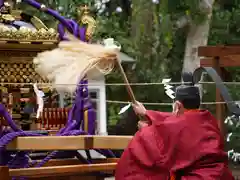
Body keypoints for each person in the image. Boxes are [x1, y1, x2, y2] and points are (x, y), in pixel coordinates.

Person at [115, 73, 234, 180]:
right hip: (221, 175)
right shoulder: (209, 120)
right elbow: (169, 120)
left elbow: (156, 142)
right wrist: (146, 113)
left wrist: (145, 130)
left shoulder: (177, 125)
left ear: (177, 105)